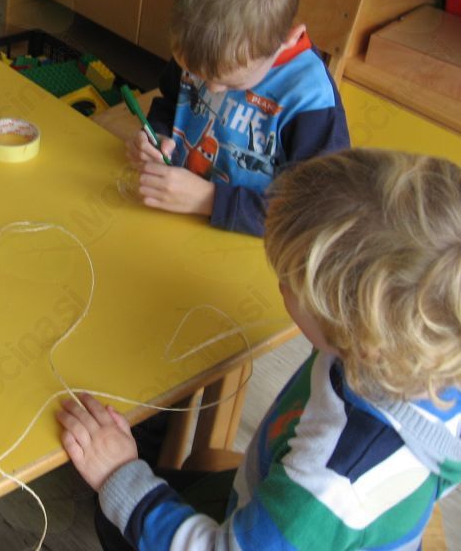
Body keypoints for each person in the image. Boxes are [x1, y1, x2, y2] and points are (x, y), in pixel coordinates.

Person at [58, 148, 461, 550]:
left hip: (276, 524)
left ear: (357, 331)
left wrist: (118, 474)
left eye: (289, 279)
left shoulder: (332, 484)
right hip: (271, 496)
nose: (280, 283)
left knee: (116, 517)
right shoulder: (422, 347)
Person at [127, 0, 349, 236]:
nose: (211, 89)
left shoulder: (309, 98)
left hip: (253, 246)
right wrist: (156, 135)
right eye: (194, 72)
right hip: (173, 221)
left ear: (286, 41)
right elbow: (171, 103)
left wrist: (209, 200)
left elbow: (317, 213)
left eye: (231, 83)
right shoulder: (205, 53)